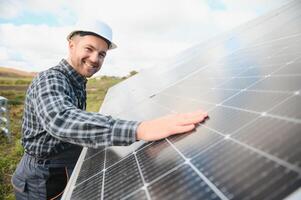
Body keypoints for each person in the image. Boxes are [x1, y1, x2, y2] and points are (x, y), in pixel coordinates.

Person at [11, 20, 208, 200]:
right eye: (89, 49)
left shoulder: (76, 82)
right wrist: (141, 129)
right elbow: (60, 120)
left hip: (64, 164)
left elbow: (77, 120)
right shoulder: (50, 79)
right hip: (41, 176)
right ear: (71, 44)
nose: (95, 59)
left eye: (102, 54)